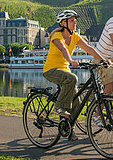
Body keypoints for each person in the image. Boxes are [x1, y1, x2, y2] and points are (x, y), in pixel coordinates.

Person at [43, 9, 108, 140]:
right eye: (72, 20)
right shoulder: (57, 36)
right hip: (51, 70)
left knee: (77, 103)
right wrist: (71, 61)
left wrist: (103, 60)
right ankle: (59, 107)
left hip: (64, 71)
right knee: (72, 78)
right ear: (64, 23)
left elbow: (89, 49)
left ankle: (68, 128)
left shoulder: (75, 36)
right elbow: (63, 49)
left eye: (75, 20)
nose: (75, 23)